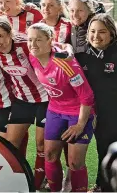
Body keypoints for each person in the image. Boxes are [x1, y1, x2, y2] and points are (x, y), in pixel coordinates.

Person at [27, 23, 95, 193]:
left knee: (74, 162)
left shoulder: (65, 62)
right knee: (49, 154)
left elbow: (87, 96)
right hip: (55, 111)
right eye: (30, 40)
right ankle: (55, 190)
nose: (33, 44)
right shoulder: (33, 55)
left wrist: (80, 125)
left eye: (39, 40)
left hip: (78, 113)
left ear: (50, 41)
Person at [0, 16, 49, 190]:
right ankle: (17, 177)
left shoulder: (24, 44)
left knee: (41, 143)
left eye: (1, 36)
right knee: (11, 143)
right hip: (22, 100)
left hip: (45, 99)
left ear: (10, 34)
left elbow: (51, 50)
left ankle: (40, 180)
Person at [76, 14, 117, 192]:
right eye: (92, 31)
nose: (96, 36)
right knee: (103, 149)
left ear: (112, 34)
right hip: (96, 113)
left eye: (102, 32)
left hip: (113, 112)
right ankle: (103, 184)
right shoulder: (82, 55)